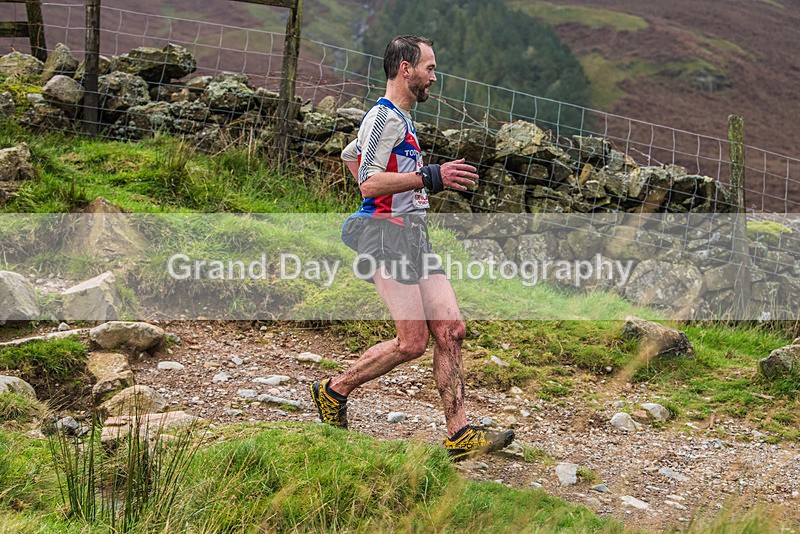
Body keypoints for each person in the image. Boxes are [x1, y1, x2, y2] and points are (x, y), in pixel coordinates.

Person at [310, 35, 514, 462]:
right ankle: (334, 391)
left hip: (414, 236)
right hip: (386, 236)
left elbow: (353, 154)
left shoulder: (398, 118)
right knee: (412, 343)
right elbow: (368, 181)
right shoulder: (385, 118)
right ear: (406, 69)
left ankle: (459, 434)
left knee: (451, 330)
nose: (433, 77)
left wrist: (406, 188)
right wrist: (427, 178)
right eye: (430, 68)